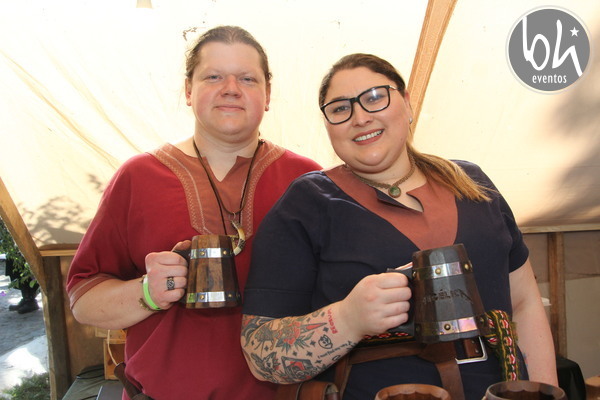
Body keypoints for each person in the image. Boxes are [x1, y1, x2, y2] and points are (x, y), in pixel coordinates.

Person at [241, 53, 558, 400]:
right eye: (340, 108)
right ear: (328, 125)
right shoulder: (307, 204)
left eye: (375, 97)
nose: (360, 117)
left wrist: (542, 392)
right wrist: (346, 319)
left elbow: (525, 304)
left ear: (407, 103)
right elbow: (260, 355)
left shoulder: (472, 183)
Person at [66, 25, 320, 400]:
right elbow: (84, 302)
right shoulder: (138, 177)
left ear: (267, 93)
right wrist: (147, 292)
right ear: (188, 90)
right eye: (213, 76)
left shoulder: (308, 182)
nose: (230, 88)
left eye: (247, 78)